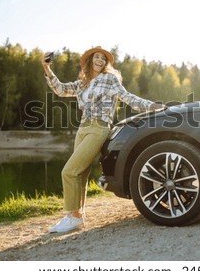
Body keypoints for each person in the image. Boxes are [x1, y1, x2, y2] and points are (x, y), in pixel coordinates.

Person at [42, 46, 163, 233]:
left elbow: (128, 97)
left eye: (103, 59)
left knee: (69, 171)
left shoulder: (110, 79)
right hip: (83, 129)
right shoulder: (83, 82)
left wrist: (151, 106)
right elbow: (61, 90)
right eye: (96, 57)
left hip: (99, 127)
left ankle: (72, 217)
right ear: (90, 60)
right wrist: (47, 69)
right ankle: (77, 217)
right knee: (80, 173)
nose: (100, 60)